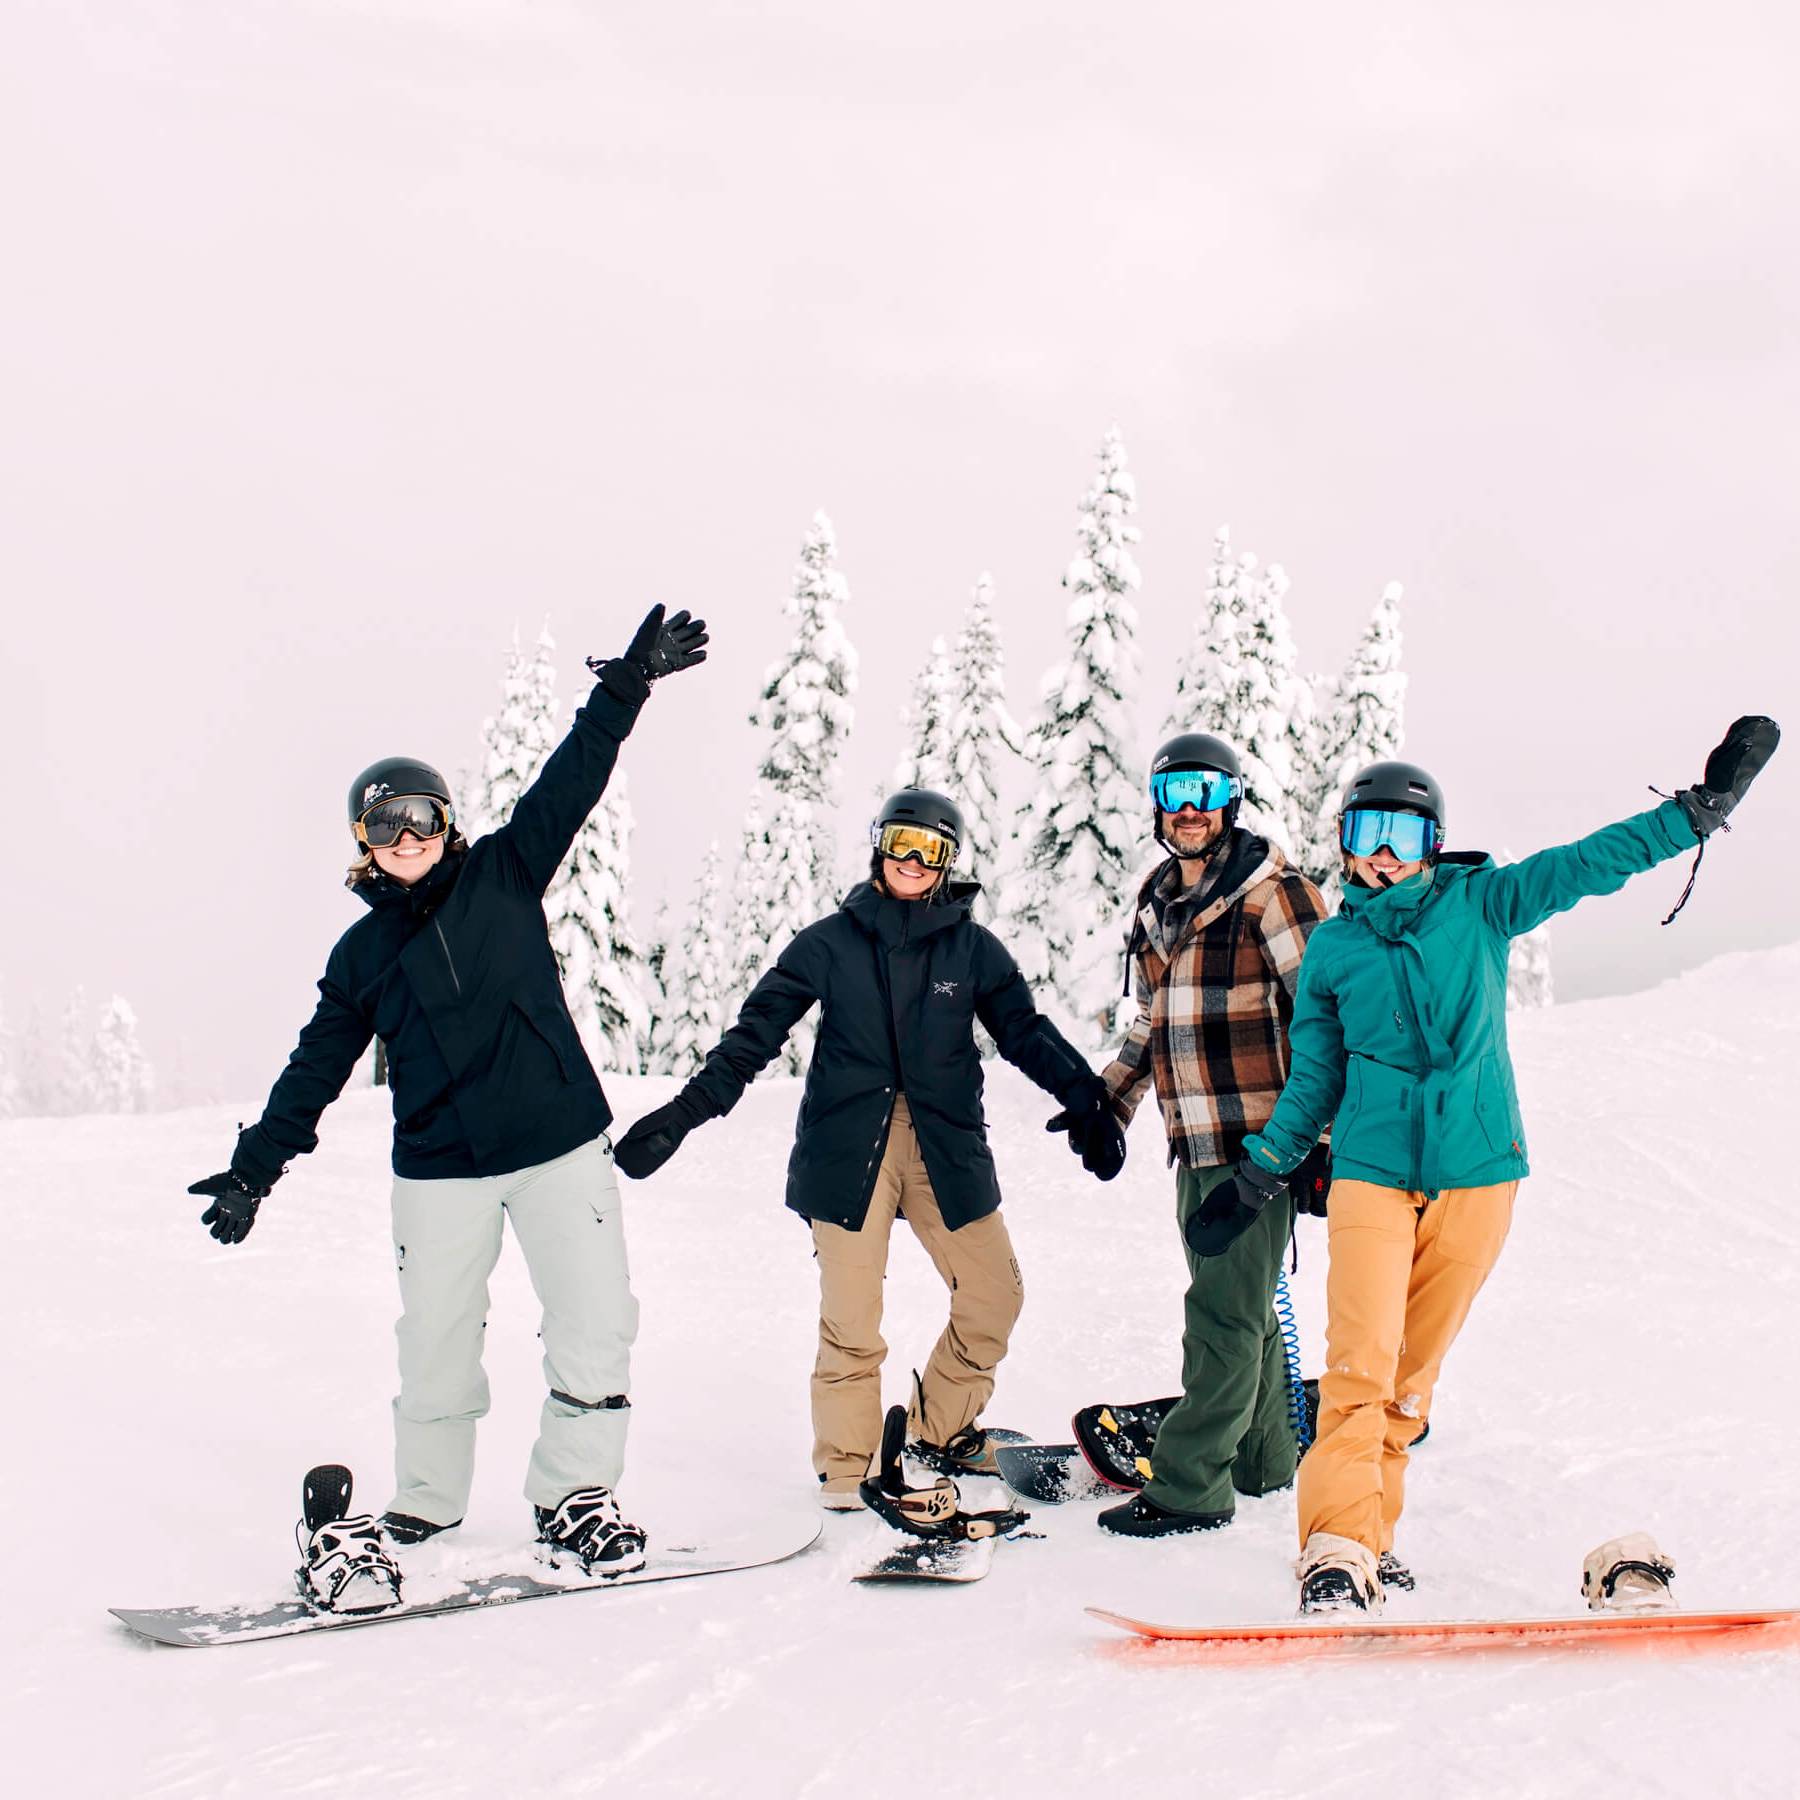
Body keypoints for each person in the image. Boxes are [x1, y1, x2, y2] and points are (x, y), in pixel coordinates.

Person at [1198, 718, 1780, 1613]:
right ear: (1346, 845)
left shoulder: (1482, 906)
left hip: (1478, 1177)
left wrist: (1694, 817)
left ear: (1431, 847)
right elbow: (1315, 1077)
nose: (1382, 858)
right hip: (1369, 1175)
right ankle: (1338, 1548)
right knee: (1359, 1369)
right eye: (1366, 837)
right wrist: (1259, 1173)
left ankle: (1370, 1540)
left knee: (1408, 1382)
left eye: (1401, 838)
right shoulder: (1335, 953)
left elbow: (1586, 863)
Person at [188, 605, 709, 1600]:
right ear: (365, 843)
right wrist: (257, 1166)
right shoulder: (362, 958)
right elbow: (313, 1069)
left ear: (448, 824)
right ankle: (424, 1499)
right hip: (440, 1171)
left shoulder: (506, 872)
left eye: (423, 816)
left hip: (558, 1146)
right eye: (388, 824)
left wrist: (626, 685)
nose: (409, 835)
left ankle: (576, 1498)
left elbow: (575, 776)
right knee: (433, 1339)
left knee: (596, 1322)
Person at [611, 788, 1125, 1507]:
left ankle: (938, 1431)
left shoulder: (973, 949)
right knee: (852, 1323)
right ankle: (849, 1472)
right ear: (879, 846)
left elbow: (1024, 1033)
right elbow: (754, 1036)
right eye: (901, 842)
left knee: (994, 1295)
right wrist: (685, 1112)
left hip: (947, 1149)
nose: (912, 860)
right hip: (848, 1151)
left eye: (930, 849)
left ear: (948, 862)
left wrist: (1087, 1098)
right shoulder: (829, 942)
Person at [1080, 732, 1330, 1538]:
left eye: (1207, 791)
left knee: (1220, 1315)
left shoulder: (1273, 895)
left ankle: (1192, 1486)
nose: (1190, 808)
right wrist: (1106, 1104)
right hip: (1194, 1143)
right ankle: (1261, 1461)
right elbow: (1154, 1023)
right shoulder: (1160, 904)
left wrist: (1313, 1144)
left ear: (1232, 801)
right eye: (1176, 790)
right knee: (1245, 1311)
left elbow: (1328, 1022)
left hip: (1259, 1146)